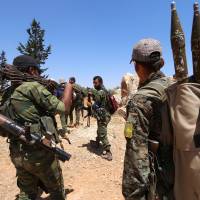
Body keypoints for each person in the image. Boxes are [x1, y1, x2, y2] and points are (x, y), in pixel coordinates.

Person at [1, 55, 69, 200]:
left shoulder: (8, 92)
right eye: (37, 70)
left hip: (17, 153)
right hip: (39, 152)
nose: (39, 74)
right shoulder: (32, 87)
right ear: (32, 70)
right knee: (56, 192)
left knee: (26, 192)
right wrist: (69, 86)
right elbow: (64, 108)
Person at [122, 39, 173, 200]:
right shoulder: (175, 85)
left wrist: (133, 194)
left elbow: (136, 155)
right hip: (183, 172)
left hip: (161, 181)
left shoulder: (140, 100)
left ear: (137, 66)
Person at [90, 76, 112, 161]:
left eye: (96, 83)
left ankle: (108, 152)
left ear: (100, 82)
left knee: (102, 133)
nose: (94, 84)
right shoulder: (105, 90)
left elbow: (96, 105)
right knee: (99, 130)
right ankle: (97, 143)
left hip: (103, 116)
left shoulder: (100, 92)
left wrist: (91, 104)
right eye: (93, 83)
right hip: (106, 114)